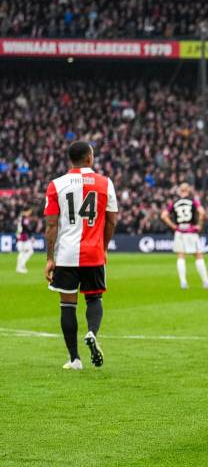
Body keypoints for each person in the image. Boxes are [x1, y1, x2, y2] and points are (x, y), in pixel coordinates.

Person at [43, 141, 118, 370]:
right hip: (93, 253)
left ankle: (74, 359)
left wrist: (49, 258)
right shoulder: (105, 183)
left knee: (67, 305)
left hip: (66, 254)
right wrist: (103, 247)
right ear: (89, 158)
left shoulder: (56, 185)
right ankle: (92, 333)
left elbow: (51, 225)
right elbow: (112, 220)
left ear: (70, 159)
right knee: (94, 298)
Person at [160, 182, 208, 290]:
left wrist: (173, 226)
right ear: (188, 190)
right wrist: (199, 225)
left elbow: (163, 215)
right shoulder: (193, 202)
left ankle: (183, 283)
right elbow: (202, 212)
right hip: (190, 231)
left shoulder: (174, 203)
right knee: (198, 255)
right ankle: (206, 282)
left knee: (181, 256)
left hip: (179, 231)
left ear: (180, 191)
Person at [15, 208, 35, 273]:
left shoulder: (20, 217)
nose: (29, 213)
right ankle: (20, 267)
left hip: (22, 237)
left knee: (27, 251)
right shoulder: (24, 218)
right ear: (26, 211)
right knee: (23, 252)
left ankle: (21, 266)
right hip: (22, 237)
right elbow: (26, 227)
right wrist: (31, 235)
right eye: (29, 211)